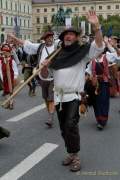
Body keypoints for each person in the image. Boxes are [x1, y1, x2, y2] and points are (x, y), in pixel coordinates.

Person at [7, 10, 104, 171]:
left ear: (77, 37)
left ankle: (76, 156)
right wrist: (44, 67)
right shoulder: (55, 56)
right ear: (63, 38)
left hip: (74, 95)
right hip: (59, 97)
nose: (69, 36)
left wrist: (96, 26)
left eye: (72, 34)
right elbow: (45, 76)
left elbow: (99, 45)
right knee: (63, 128)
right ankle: (71, 153)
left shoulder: (83, 53)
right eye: (66, 34)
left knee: (71, 124)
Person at [0, 43, 19, 109]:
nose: (5, 54)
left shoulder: (12, 61)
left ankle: (11, 103)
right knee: (5, 91)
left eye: (6, 52)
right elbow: (0, 70)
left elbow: (16, 70)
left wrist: (15, 77)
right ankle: (8, 102)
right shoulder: (1, 61)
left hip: (11, 78)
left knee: (10, 91)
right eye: (4, 52)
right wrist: (2, 78)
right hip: (4, 78)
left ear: (9, 53)